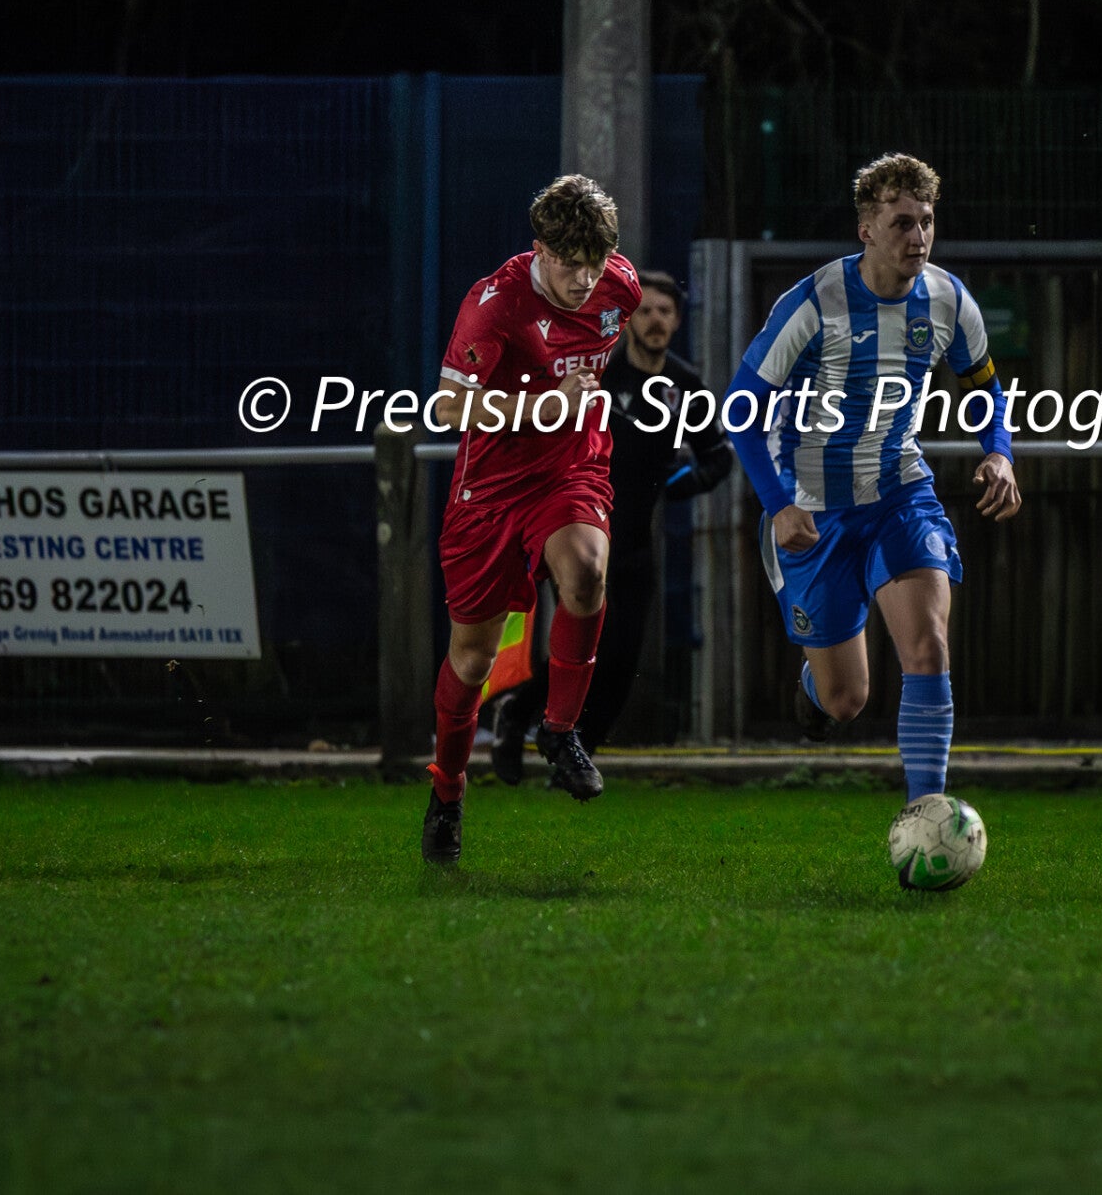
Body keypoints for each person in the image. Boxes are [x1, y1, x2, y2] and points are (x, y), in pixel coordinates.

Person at [724, 153, 1022, 806]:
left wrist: (998, 452)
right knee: (845, 698)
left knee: (928, 646)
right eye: (901, 223)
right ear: (866, 229)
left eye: (926, 222)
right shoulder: (812, 304)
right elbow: (740, 412)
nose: (917, 237)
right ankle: (815, 691)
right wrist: (777, 504)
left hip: (898, 494)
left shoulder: (947, 299)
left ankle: (926, 811)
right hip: (812, 513)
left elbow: (982, 389)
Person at [418, 174, 642, 865]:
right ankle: (448, 790)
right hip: (488, 489)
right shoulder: (495, 305)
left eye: (594, 264)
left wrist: (571, 413)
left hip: (569, 470)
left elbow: (592, 368)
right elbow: (448, 409)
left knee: (586, 572)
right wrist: (540, 407)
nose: (584, 280)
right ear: (538, 248)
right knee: (473, 659)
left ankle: (559, 729)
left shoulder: (622, 289)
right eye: (568, 263)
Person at [492, 271, 734, 777]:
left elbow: (719, 454)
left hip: (638, 541)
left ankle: (575, 756)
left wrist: (684, 482)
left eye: (665, 312)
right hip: (582, 535)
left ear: (677, 320)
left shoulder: (685, 385)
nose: (655, 320)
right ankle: (519, 717)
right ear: (626, 321)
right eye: (644, 310)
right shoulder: (601, 376)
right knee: (588, 647)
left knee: (621, 663)